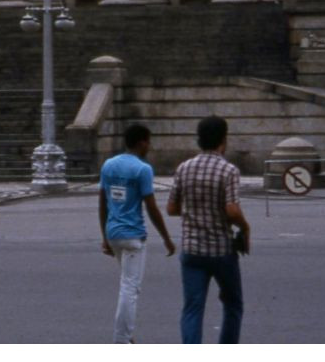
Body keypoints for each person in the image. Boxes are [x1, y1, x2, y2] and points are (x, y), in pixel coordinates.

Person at [168, 116, 249, 343]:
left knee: (192, 309)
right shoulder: (228, 170)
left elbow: (172, 208)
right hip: (221, 250)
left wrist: (194, 211)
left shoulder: (184, 168)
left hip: (192, 250)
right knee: (233, 304)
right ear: (223, 140)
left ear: (199, 140)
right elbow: (232, 211)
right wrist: (245, 227)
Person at [98, 124, 176, 343]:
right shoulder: (143, 169)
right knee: (130, 288)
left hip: (114, 234)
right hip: (133, 236)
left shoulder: (109, 165)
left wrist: (104, 235)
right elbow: (151, 207)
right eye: (148, 142)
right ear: (142, 142)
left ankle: (127, 335)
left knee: (126, 283)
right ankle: (121, 339)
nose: (149, 146)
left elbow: (102, 202)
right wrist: (167, 238)